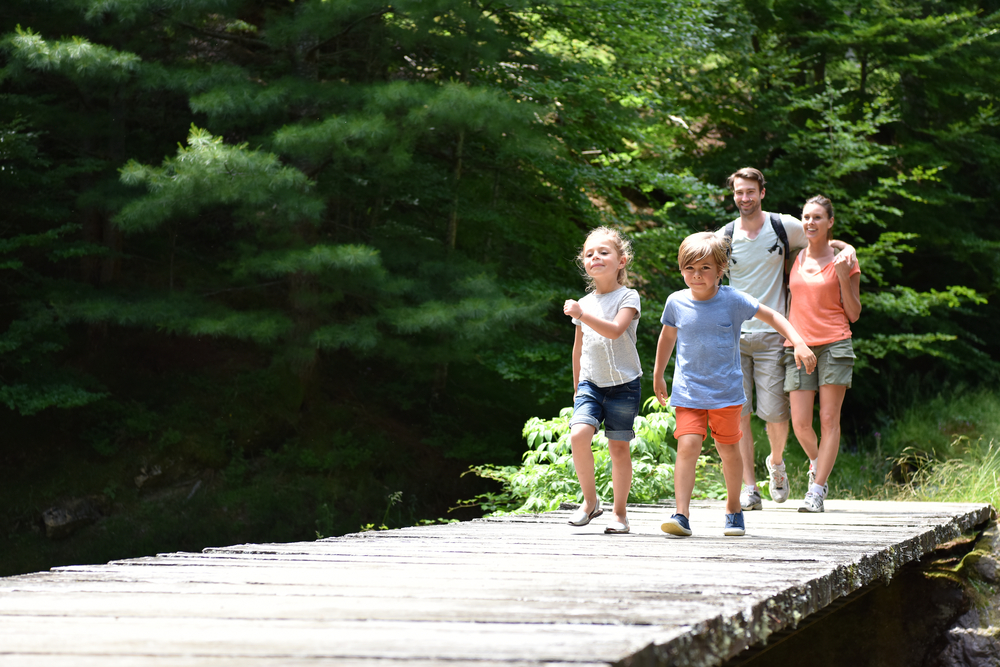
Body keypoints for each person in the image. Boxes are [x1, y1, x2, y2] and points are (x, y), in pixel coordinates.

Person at [654, 232, 815, 537]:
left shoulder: (732, 300)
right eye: (690, 268)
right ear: (681, 269)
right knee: (687, 445)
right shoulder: (676, 302)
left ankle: (733, 509)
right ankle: (681, 515)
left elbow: (772, 316)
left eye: (704, 268)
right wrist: (658, 372)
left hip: (726, 393)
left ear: (721, 269)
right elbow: (667, 337)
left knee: (728, 450)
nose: (696, 275)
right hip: (689, 391)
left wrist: (798, 342)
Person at [719, 167, 855, 511]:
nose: (744, 198)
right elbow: (699, 267)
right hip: (738, 336)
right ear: (733, 195)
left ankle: (782, 466)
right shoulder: (724, 236)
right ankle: (751, 488)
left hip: (776, 335)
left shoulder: (783, 227)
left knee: (777, 417)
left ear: (762, 192)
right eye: (739, 192)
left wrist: (846, 247)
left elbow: (819, 237)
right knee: (741, 415)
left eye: (751, 191)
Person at [784, 195, 862, 513]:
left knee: (829, 419)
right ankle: (819, 465)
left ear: (830, 222)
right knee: (800, 423)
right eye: (806, 217)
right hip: (799, 345)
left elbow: (854, 313)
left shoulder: (845, 261)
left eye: (818, 217)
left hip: (835, 343)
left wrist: (843, 273)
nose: (810, 222)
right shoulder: (794, 258)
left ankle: (816, 491)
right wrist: (847, 245)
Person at [562, 226, 642, 534]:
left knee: (618, 448)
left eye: (604, 252)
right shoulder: (586, 302)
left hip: (624, 384)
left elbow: (614, 330)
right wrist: (576, 385)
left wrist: (581, 314)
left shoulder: (629, 297)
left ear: (621, 261)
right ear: (584, 262)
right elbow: (579, 347)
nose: (596, 257)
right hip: (591, 384)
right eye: (589, 253)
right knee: (578, 435)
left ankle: (620, 514)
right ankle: (590, 502)